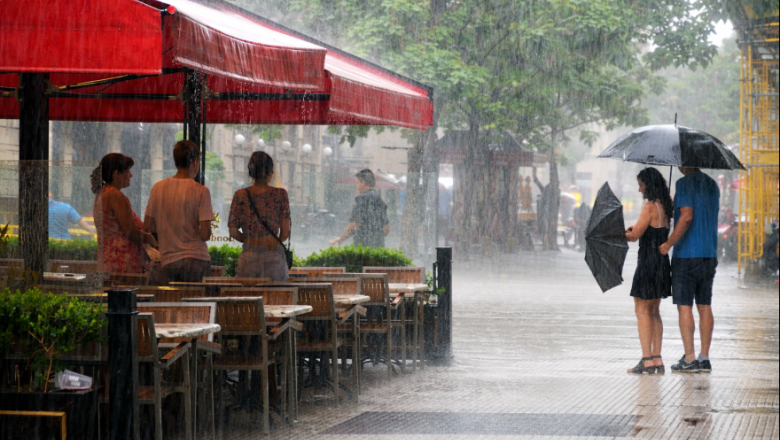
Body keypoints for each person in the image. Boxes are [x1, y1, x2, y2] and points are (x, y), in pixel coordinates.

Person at [660, 167, 720, 373]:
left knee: (684, 305)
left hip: (686, 254)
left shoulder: (684, 184)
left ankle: (689, 358)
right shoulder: (712, 184)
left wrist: (668, 244)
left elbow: (686, 217)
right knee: (704, 305)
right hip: (709, 253)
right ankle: (704, 358)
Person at [624, 168, 673, 374]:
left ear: (649, 185)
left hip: (647, 263)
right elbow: (648, 230)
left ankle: (646, 359)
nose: (639, 189)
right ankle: (656, 357)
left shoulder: (649, 207)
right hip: (661, 262)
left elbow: (634, 236)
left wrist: (617, 233)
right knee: (654, 311)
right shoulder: (665, 206)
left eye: (641, 185)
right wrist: (634, 230)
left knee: (642, 310)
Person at [144, 140, 213, 284]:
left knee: (172, 298)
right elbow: (205, 234)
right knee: (195, 299)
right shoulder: (201, 191)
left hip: (169, 261)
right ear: (194, 162)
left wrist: (169, 228)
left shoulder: (157, 188)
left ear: (176, 162)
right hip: (196, 261)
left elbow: (148, 226)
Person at [228, 151, 290, 281]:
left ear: (251, 172)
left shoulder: (240, 195)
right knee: (275, 294)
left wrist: (251, 241)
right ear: (270, 173)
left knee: (248, 294)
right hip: (273, 256)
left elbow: (233, 231)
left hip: (248, 257)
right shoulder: (280, 195)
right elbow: (284, 234)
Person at [90, 153, 157, 274]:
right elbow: (130, 232)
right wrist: (150, 238)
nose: (131, 175)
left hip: (108, 260)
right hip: (121, 263)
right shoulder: (115, 196)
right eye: (128, 171)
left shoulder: (102, 194)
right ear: (116, 174)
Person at [330, 169, 390, 248]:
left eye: (357, 183)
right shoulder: (380, 200)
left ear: (363, 183)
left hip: (362, 248)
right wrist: (376, 236)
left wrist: (340, 239)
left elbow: (355, 224)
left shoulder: (361, 198)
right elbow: (387, 229)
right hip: (379, 248)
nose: (357, 187)